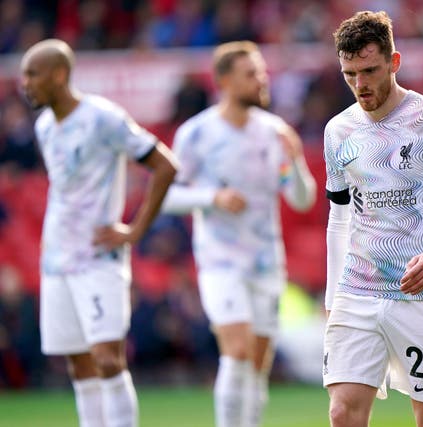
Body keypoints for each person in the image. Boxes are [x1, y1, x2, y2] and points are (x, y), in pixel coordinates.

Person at [323, 11, 423, 427]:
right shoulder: (338, 131)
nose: (360, 85)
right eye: (349, 73)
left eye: (370, 70)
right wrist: (331, 297)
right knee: (342, 413)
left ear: (394, 62)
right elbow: (339, 218)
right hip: (357, 289)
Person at [20, 39, 178, 427]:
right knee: (78, 363)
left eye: (33, 74)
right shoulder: (44, 126)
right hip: (56, 257)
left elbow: (164, 166)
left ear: (59, 75)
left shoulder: (102, 117)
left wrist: (135, 229)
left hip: (98, 256)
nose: (25, 83)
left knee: (108, 357)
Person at [161, 40, 316, 427]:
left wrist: (295, 162)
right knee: (238, 350)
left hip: (266, 262)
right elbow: (166, 196)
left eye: (261, 72)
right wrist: (212, 196)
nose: (261, 80)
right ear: (225, 81)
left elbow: (301, 199)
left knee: (258, 364)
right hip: (220, 261)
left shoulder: (273, 132)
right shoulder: (196, 134)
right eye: (251, 74)